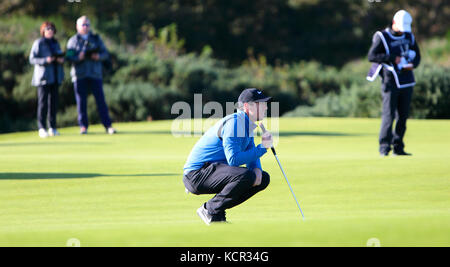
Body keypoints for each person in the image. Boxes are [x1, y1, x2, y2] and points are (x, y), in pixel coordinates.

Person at [183, 88, 273, 225]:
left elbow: (251, 156)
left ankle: (217, 215)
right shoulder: (235, 123)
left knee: (263, 178)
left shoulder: (248, 126)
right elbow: (234, 159)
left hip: (212, 171)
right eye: (261, 103)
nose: (266, 107)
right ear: (248, 106)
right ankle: (210, 209)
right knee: (247, 176)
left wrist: (257, 170)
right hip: (197, 174)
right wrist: (263, 148)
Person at [367, 10, 421, 157]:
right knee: (388, 115)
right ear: (394, 23)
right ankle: (384, 148)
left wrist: (412, 64)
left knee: (403, 116)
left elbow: (417, 57)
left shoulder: (409, 36)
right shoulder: (382, 37)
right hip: (390, 81)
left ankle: (398, 147)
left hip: (407, 80)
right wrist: (392, 58)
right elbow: (372, 56)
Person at [66, 16, 116, 135]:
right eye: (83, 25)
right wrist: (79, 57)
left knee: (101, 101)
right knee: (81, 102)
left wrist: (98, 56)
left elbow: (105, 53)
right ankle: (83, 126)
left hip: (95, 73)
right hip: (80, 75)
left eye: (87, 24)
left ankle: (108, 125)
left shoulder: (96, 39)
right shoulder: (73, 41)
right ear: (77, 26)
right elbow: (69, 57)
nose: (85, 27)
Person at [29, 21, 64, 138]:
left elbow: (60, 55)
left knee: (53, 103)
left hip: (55, 76)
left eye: (51, 29)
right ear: (43, 31)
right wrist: (45, 60)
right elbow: (32, 59)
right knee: (43, 103)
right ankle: (41, 128)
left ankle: (52, 127)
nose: (50, 31)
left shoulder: (56, 43)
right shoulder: (39, 43)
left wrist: (60, 60)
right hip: (43, 77)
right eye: (47, 29)